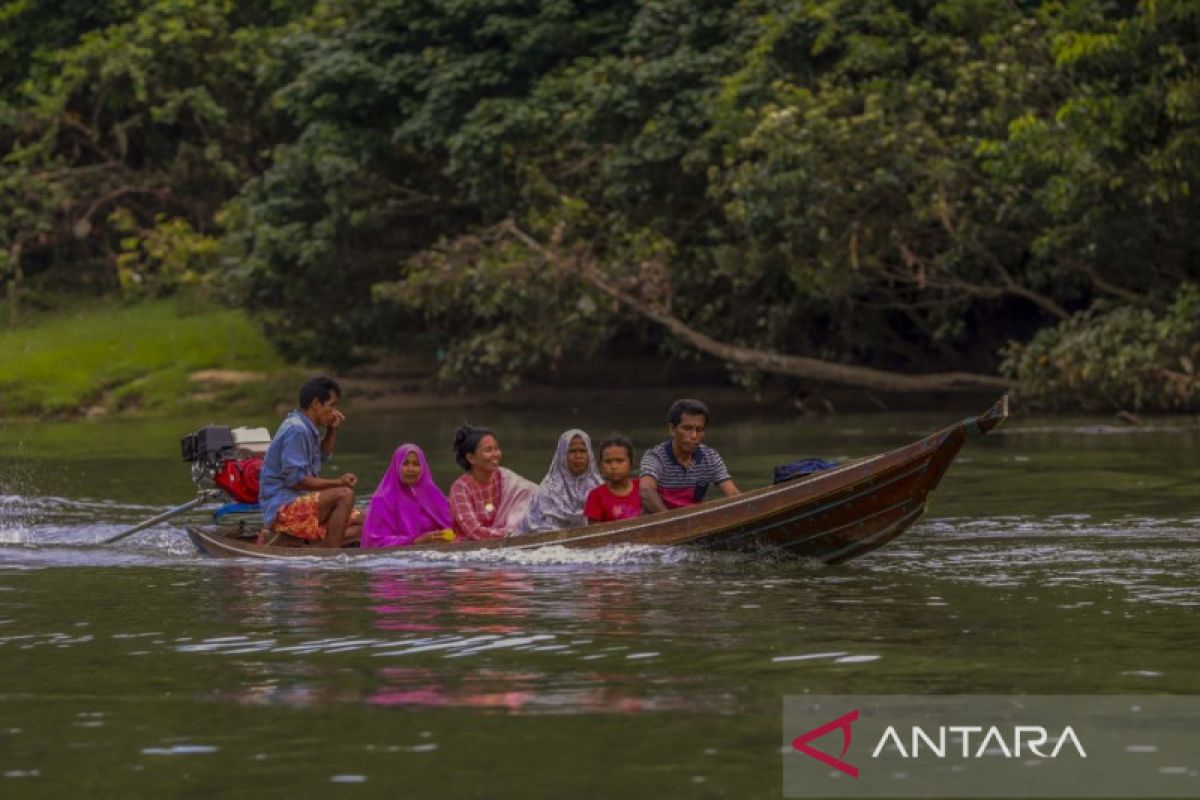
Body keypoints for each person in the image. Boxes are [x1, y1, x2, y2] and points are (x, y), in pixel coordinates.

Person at [258, 376, 362, 547]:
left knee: (365, 522)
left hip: (302, 504)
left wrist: (332, 430)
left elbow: (321, 456)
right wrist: (338, 482)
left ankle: (309, 544)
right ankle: (331, 554)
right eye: (332, 405)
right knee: (345, 494)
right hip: (283, 510)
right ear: (316, 404)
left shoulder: (307, 428)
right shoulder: (296, 430)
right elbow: (296, 480)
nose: (335, 412)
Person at [639, 398, 740, 513]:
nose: (694, 436)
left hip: (695, 523)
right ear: (672, 429)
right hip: (662, 524)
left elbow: (732, 494)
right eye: (687, 429)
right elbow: (646, 491)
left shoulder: (710, 457)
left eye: (700, 430)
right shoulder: (655, 457)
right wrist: (671, 521)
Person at [448, 425, 537, 540]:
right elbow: (474, 531)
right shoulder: (460, 489)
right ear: (471, 458)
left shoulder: (506, 477)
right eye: (488, 450)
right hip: (470, 548)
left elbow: (534, 494)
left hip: (510, 539)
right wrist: (509, 535)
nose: (495, 454)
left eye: (496, 449)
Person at [361, 444, 456, 548]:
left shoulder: (433, 496)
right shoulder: (381, 500)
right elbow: (375, 541)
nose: (411, 469)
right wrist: (414, 541)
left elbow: (454, 526)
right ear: (397, 465)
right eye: (405, 463)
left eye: (416, 464)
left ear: (423, 467)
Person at [517, 429, 602, 533]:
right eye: (572, 451)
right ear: (562, 455)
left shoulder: (599, 487)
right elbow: (542, 530)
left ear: (590, 455)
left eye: (583, 451)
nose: (578, 456)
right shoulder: (549, 490)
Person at [584, 435, 643, 524]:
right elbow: (595, 534)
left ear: (631, 463)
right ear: (601, 466)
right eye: (608, 461)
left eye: (620, 461)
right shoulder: (596, 496)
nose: (614, 466)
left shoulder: (644, 487)